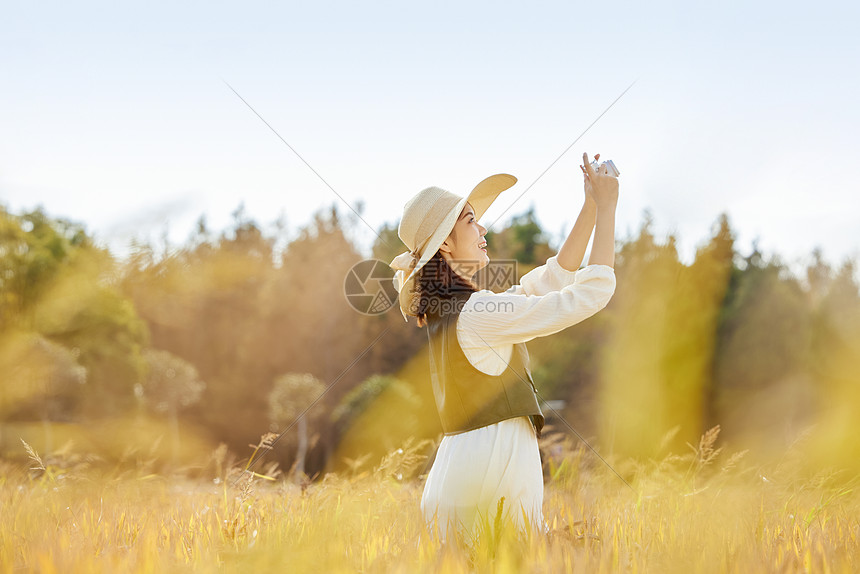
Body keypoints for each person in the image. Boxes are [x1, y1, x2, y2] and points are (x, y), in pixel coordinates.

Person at [389, 152, 619, 546]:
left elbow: (545, 282)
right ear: (445, 243)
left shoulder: (462, 311)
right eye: (470, 221)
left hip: (463, 478)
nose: (483, 231)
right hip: (484, 483)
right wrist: (611, 208)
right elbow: (587, 295)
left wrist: (591, 207)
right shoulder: (478, 313)